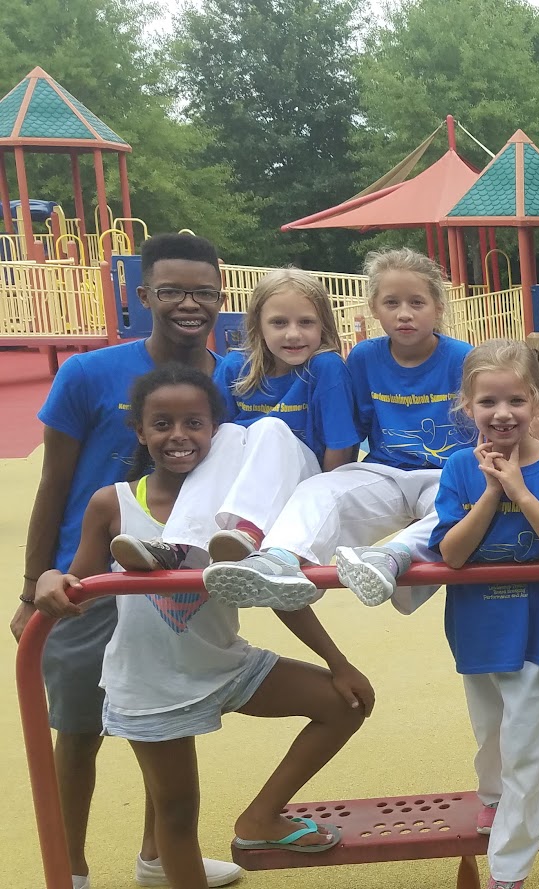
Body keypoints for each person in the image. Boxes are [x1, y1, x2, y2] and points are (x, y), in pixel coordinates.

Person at [32, 366, 373, 889]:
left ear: (215, 429)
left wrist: (339, 661)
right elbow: (78, 581)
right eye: (161, 423)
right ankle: (166, 874)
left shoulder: (236, 509)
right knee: (177, 813)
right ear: (140, 433)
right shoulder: (114, 503)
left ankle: (261, 818)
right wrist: (53, 578)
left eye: (194, 423)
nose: (178, 436)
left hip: (223, 661)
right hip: (151, 685)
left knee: (345, 701)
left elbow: (273, 590)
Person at [12, 232, 242, 889]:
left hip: (176, 572)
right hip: (89, 576)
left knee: (170, 721)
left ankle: (157, 858)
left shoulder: (228, 378)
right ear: (143, 295)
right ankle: (71, 867)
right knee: (80, 729)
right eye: (171, 290)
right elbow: (54, 482)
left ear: (220, 298)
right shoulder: (88, 374)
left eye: (202, 291)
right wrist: (33, 585)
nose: (188, 304)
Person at [201, 248, 469, 612]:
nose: (404, 313)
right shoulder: (363, 356)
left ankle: (390, 557)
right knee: (320, 488)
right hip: (386, 471)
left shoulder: (463, 358)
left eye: (417, 302)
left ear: (438, 307)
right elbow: (351, 431)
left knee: (464, 502)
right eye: (391, 302)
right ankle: (280, 559)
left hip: (446, 472)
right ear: (374, 308)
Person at [430, 340, 539, 889]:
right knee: (491, 734)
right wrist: (488, 492)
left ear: (537, 401)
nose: (502, 414)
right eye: (488, 402)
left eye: (516, 401)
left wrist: (520, 493)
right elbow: (453, 553)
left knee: (525, 749)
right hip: (478, 626)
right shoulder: (459, 469)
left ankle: (509, 869)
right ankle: (492, 796)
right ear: (468, 405)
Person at [114, 268, 360, 571]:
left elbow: (340, 446)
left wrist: (321, 508)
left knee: (270, 427)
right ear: (258, 325)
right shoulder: (236, 366)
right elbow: (210, 435)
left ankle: (250, 533)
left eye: (306, 322)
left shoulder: (325, 367)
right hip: (244, 486)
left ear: (323, 325)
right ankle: (178, 543)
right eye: (279, 323)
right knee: (226, 432)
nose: (293, 334)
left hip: (305, 486)